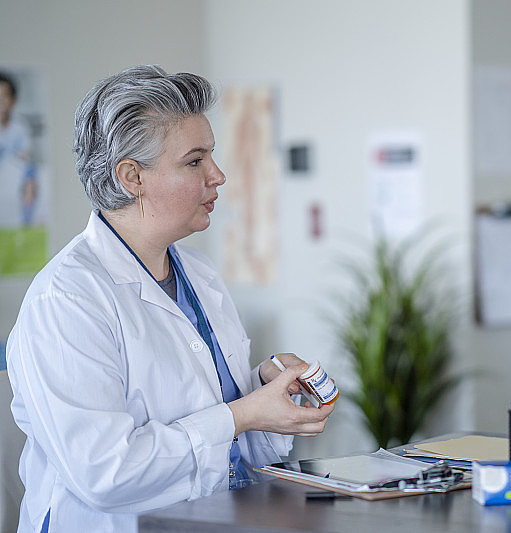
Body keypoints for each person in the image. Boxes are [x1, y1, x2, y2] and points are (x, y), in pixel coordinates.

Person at [6, 65, 335, 532]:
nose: (218, 176)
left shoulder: (198, 273)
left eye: (212, 157)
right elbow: (106, 473)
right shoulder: (66, 299)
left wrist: (262, 392)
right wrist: (241, 414)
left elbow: (224, 434)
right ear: (132, 177)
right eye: (195, 160)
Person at [0, 71, 37, 227]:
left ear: (13, 101)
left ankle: (25, 222)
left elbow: (25, 157)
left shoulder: (20, 128)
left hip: (15, 173)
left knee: (30, 180)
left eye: (4, 96)